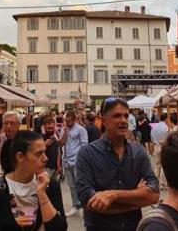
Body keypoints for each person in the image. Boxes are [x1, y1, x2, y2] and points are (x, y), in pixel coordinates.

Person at [76, 98, 160, 231]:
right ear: (104, 120)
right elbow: (87, 200)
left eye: (126, 116)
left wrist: (113, 195)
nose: (123, 120)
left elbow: (154, 195)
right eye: (117, 116)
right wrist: (136, 198)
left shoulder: (138, 152)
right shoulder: (87, 154)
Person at [0, 130, 67, 231]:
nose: (46, 158)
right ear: (20, 157)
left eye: (45, 152)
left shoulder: (49, 185)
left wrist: (42, 195)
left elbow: (60, 228)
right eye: (39, 154)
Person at [61, 111, 88, 217]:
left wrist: (80, 159)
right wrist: (65, 133)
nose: (67, 123)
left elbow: (84, 145)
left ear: (74, 120)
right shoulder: (66, 129)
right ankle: (75, 205)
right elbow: (62, 143)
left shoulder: (81, 130)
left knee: (80, 184)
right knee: (71, 185)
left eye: (69, 121)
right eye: (66, 121)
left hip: (77, 161)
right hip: (67, 160)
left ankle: (85, 204)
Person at [151, 113, 170, 190]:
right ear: (165, 118)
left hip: (156, 146)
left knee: (157, 165)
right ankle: (162, 183)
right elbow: (168, 137)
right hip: (164, 146)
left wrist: (155, 142)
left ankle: (155, 182)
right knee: (163, 165)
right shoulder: (166, 127)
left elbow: (151, 136)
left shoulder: (154, 126)